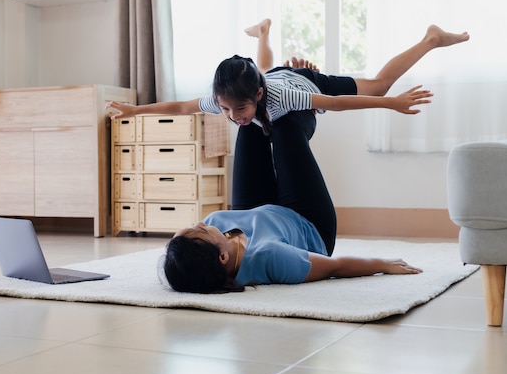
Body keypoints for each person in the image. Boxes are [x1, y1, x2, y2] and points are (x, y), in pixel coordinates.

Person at [163, 106, 423, 294]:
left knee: (249, 125)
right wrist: (383, 265)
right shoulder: (271, 255)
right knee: (285, 126)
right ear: (222, 257)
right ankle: (308, 102)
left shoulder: (214, 230)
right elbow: (335, 266)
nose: (200, 223)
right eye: (199, 230)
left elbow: (184, 258)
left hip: (260, 211)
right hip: (306, 222)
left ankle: (276, 83)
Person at [107, 19, 469, 135]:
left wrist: (390, 103)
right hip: (273, 75)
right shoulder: (231, 97)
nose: (234, 117)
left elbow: (335, 104)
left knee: (378, 84)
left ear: (260, 96)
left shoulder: (281, 98)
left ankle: (430, 38)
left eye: (241, 108)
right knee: (264, 69)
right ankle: (264, 31)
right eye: (227, 109)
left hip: (303, 81)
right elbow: (182, 105)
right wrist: (135, 111)